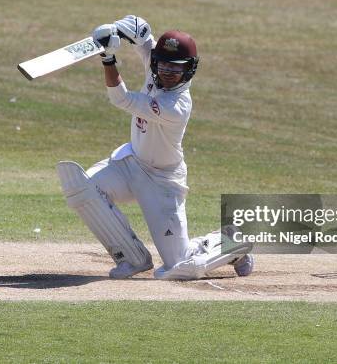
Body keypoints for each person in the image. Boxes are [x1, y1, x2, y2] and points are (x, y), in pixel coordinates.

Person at [57, 15, 253, 279]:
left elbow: (122, 99)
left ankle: (231, 242)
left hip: (162, 182)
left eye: (176, 70)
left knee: (180, 268)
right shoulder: (157, 66)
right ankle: (132, 258)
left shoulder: (177, 105)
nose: (168, 74)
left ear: (189, 69)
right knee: (83, 187)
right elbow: (144, 40)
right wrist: (124, 30)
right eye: (163, 67)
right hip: (130, 164)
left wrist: (108, 58)